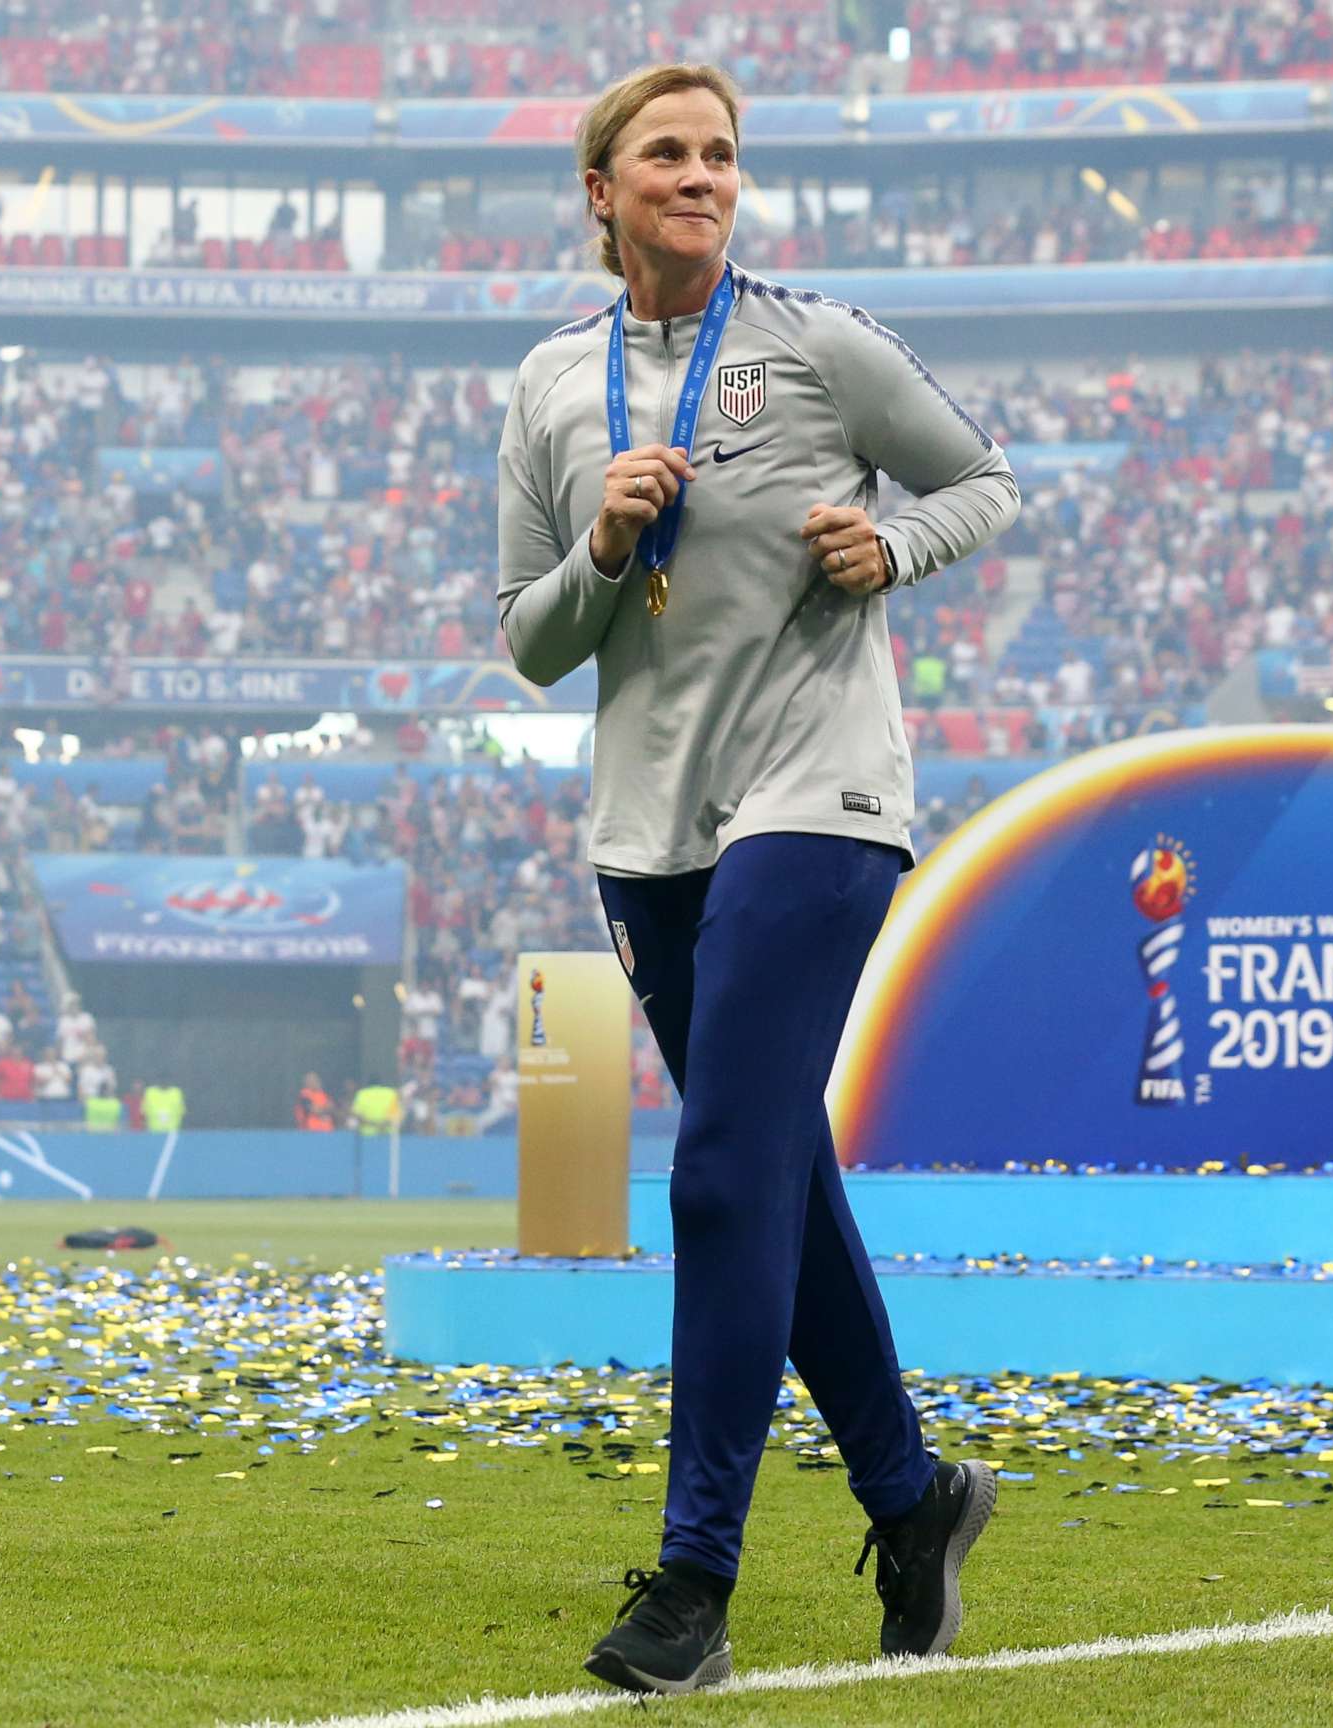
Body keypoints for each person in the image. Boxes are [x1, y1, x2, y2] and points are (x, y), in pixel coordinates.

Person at [496, 63, 1018, 1695]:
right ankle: (913, 1499)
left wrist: (897, 546)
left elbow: (984, 482)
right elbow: (526, 643)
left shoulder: (818, 342)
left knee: (722, 1176)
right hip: (651, 832)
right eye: (669, 152)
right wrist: (593, 550)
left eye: (722, 153)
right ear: (602, 187)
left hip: (823, 790)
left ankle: (693, 1587)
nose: (703, 175)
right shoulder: (552, 387)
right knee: (774, 1177)